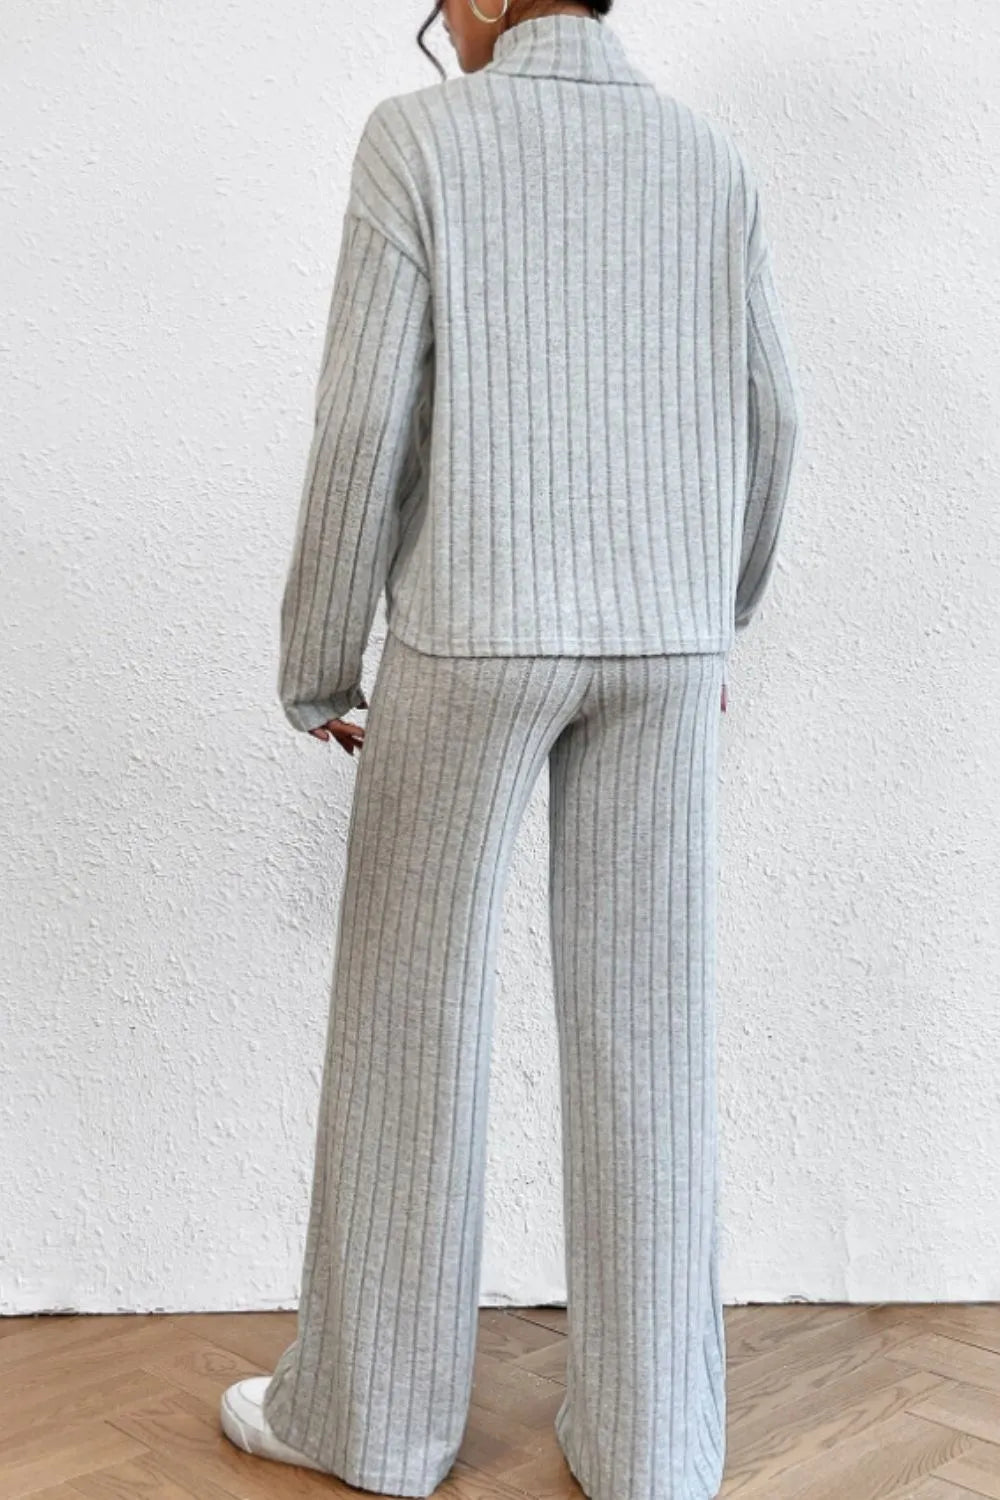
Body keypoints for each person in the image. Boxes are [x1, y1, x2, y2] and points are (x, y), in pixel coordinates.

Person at [219, 1, 803, 1496]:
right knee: (649, 1028)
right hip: (665, 648)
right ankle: (656, 1444)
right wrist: (712, 617)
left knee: (408, 1014)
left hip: (473, 631)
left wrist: (317, 661)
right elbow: (772, 419)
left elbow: (364, 426)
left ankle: (373, 1421)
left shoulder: (419, 140)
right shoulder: (708, 159)